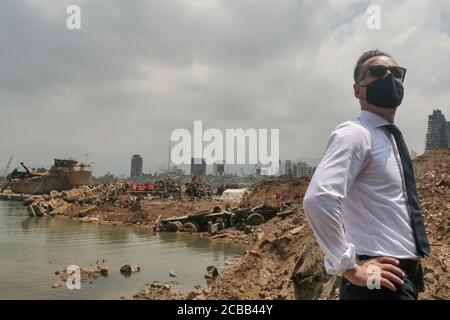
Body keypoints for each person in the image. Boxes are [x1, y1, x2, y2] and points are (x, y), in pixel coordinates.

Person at [303, 50, 429, 300]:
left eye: (397, 73)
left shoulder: (388, 138)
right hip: (376, 285)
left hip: (400, 279)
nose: (390, 77)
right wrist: (350, 269)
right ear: (357, 90)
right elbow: (319, 199)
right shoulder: (356, 134)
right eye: (378, 72)